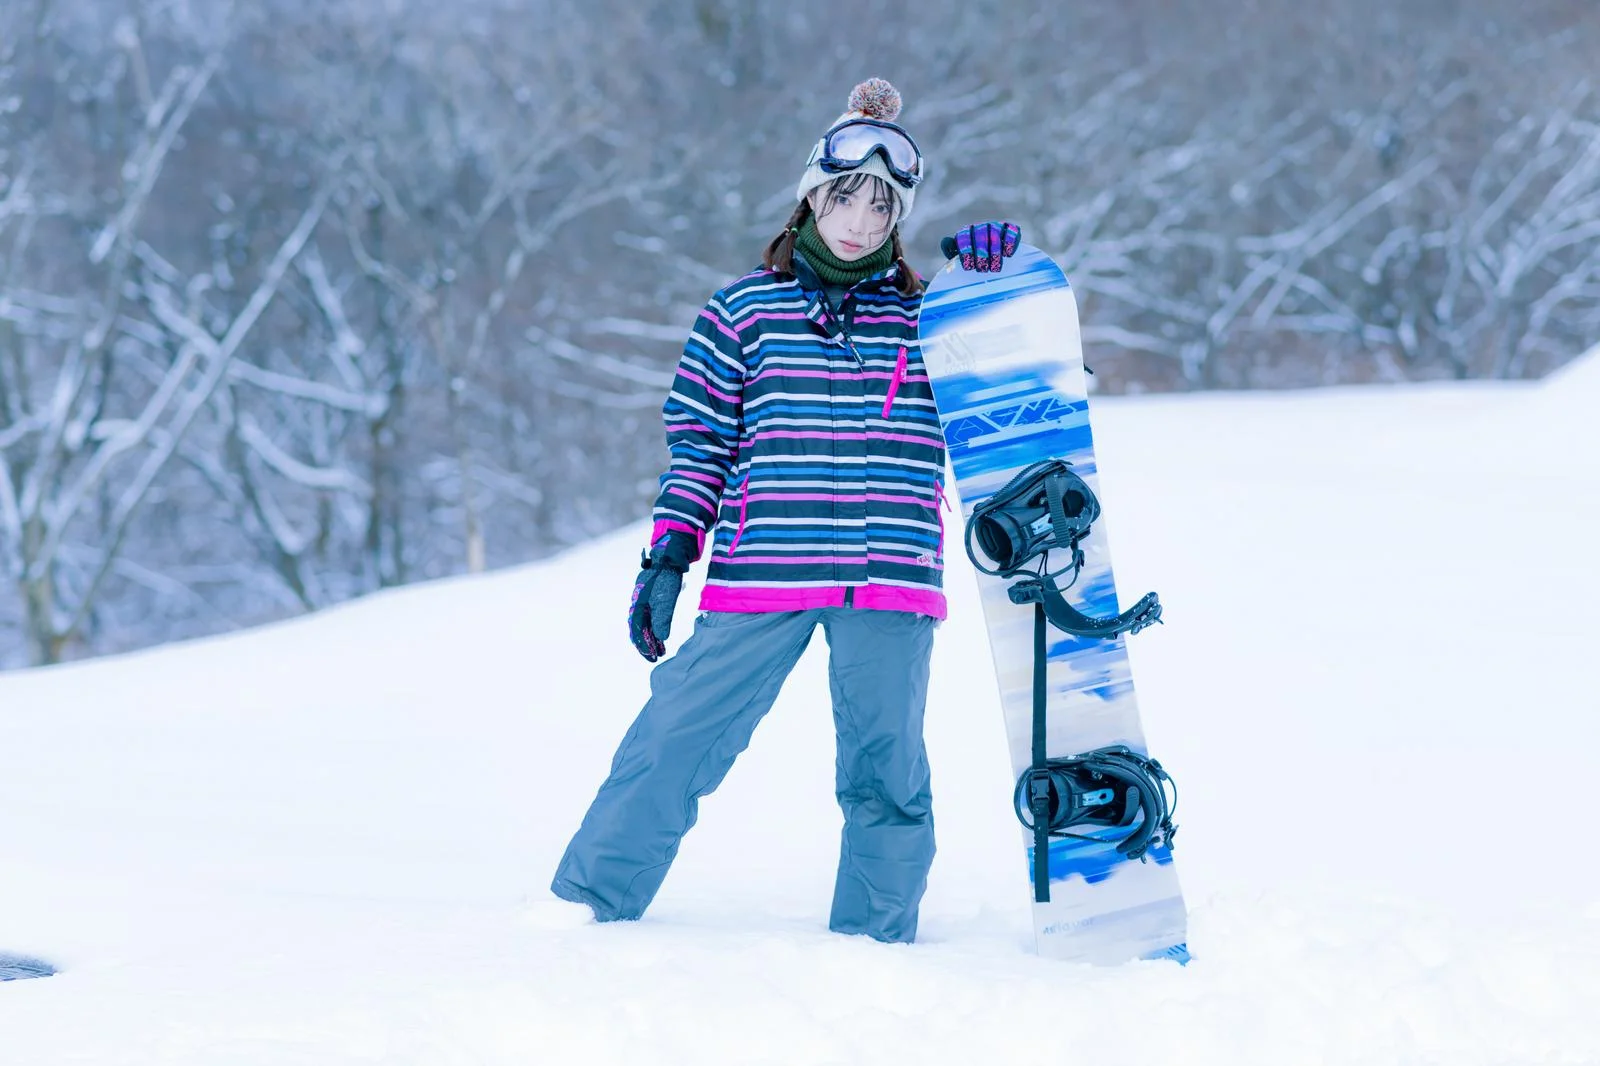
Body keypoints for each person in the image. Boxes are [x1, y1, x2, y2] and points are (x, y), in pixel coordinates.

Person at [550, 78, 1020, 944]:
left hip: (890, 578)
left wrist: (997, 286)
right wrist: (666, 559)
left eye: (883, 208)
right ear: (813, 195)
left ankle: (877, 945)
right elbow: (699, 448)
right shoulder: (742, 313)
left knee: (888, 774)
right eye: (846, 198)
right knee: (675, 739)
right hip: (764, 569)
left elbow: (1008, 394)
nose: (862, 221)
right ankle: (587, 912)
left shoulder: (931, 318)